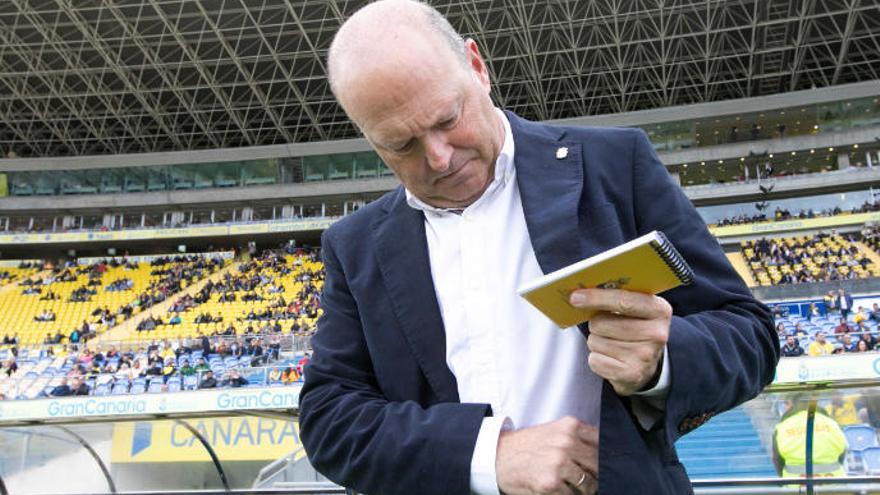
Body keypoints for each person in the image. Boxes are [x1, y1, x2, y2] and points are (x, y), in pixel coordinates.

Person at [297, 3, 779, 495]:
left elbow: (750, 337)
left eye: (447, 118)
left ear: (477, 67)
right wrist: (489, 455)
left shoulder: (614, 166)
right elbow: (328, 418)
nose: (439, 158)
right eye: (401, 145)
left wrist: (661, 361)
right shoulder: (353, 245)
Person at [772, 395, 847, 478]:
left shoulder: (782, 427)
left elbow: (777, 460)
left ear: (791, 404)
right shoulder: (831, 423)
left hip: (796, 485)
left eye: (785, 404)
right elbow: (842, 452)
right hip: (835, 483)